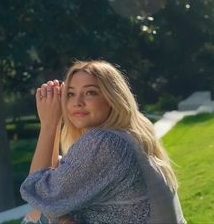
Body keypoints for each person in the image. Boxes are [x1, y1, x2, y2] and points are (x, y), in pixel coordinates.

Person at [20, 60, 186, 224]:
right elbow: (52, 189)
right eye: (70, 94)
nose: (77, 102)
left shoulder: (105, 143)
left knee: (35, 216)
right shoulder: (132, 134)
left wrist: (49, 124)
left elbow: (40, 195)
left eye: (90, 92)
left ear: (112, 97)